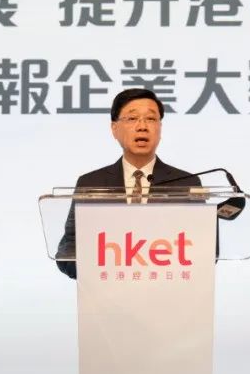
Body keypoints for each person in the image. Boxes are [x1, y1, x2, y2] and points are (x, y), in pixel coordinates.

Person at [55, 88, 200, 279]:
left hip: (167, 290)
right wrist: (99, 270)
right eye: (132, 118)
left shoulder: (187, 184)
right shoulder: (91, 183)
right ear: (114, 129)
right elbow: (68, 249)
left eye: (151, 119)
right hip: (107, 291)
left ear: (160, 128)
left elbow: (205, 249)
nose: (142, 126)